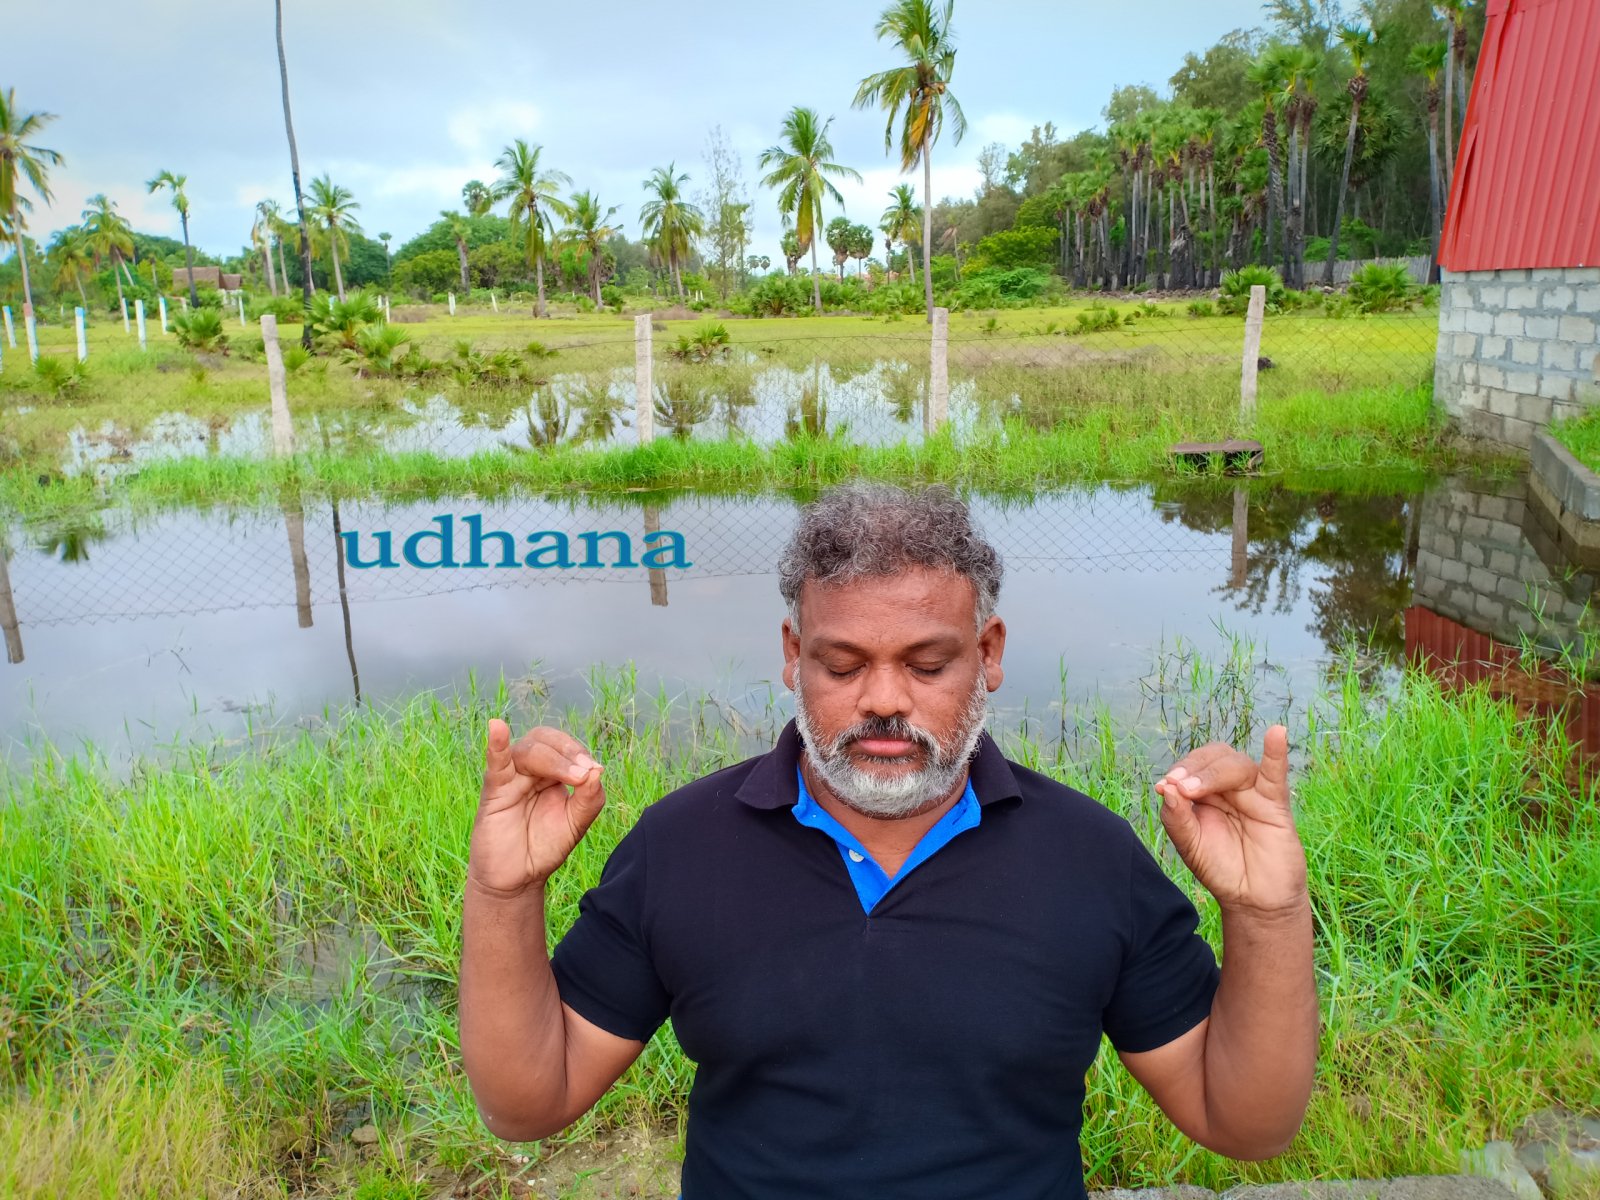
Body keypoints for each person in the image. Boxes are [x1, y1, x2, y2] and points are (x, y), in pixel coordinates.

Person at [459, 482, 1317, 1199]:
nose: (883, 700)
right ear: (793, 654)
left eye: (927, 664)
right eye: (841, 665)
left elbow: (1245, 1124)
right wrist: (503, 893)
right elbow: (529, 1105)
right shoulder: (682, 846)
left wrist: (1270, 913)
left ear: (988, 653)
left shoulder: (1089, 858)